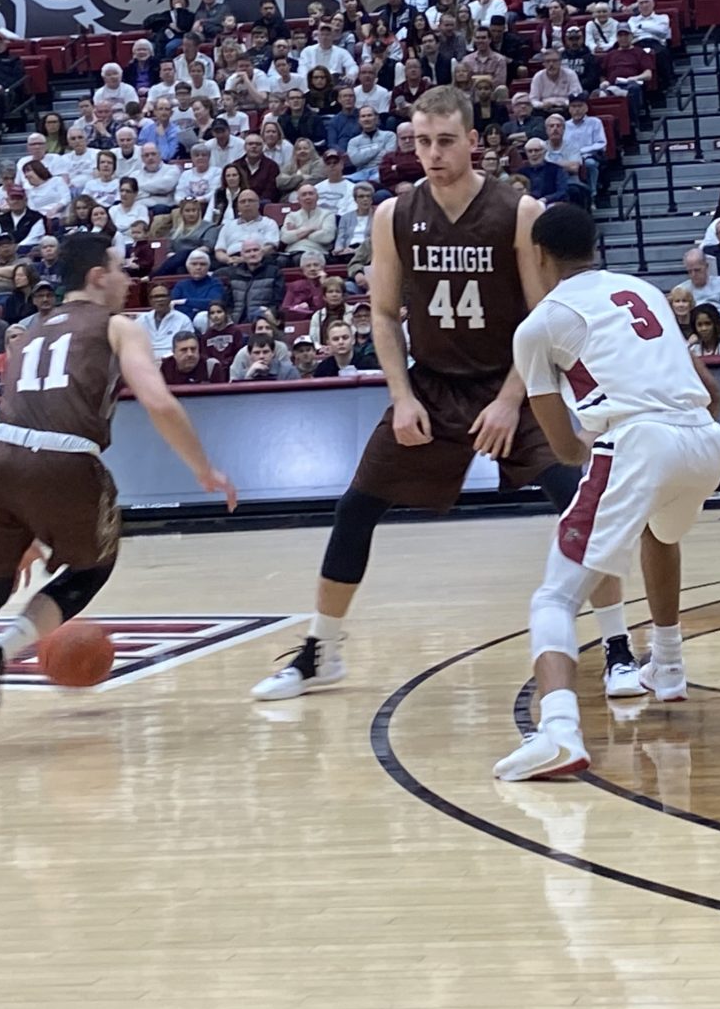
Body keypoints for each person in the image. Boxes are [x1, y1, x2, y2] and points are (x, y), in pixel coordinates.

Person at [254, 86, 632, 701]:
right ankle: (320, 651)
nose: (432, 154)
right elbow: (383, 315)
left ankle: (618, 648)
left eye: (445, 141)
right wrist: (402, 396)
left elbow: (546, 318)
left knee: (580, 504)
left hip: (513, 381)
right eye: (423, 141)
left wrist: (510, 399)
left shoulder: (518, 211)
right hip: (431, 384)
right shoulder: (393, 215)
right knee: (356, 508)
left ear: (473, 141)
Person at [0, 234, 239, 761]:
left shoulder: (28, 334)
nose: (128, 278)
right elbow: (157, 400)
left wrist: (24, 526)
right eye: (120, 269)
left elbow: (24, 416)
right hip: (64, 459)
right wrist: (205, 468)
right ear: (96, 276)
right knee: (93, 566)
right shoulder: (119, 325)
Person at [492, 205, 720, 780]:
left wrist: (595, 447)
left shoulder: (540, 324)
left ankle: (559, 732)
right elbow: (711, 390)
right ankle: (667, 665)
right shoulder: (642, 291)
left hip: (640, 441)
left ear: (539, 255)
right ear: (595, 246)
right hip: (707, 439)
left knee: (554, 598)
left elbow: (563, 445)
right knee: (659, 532)